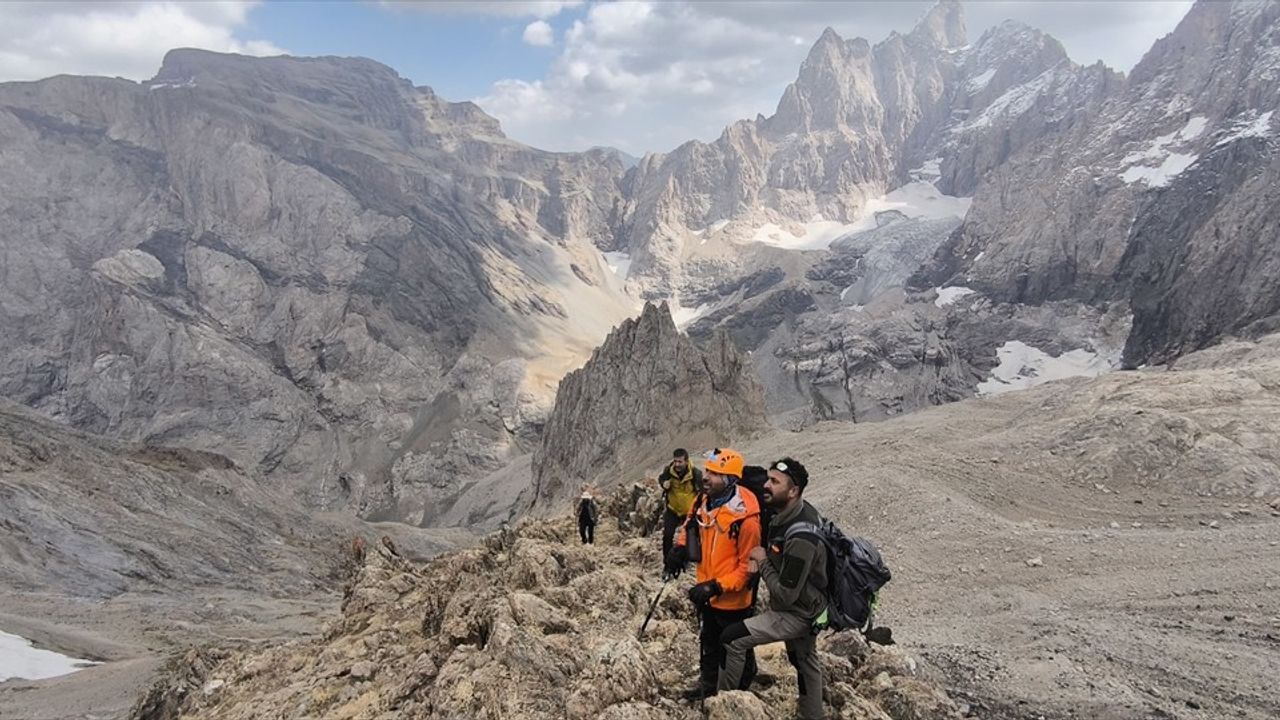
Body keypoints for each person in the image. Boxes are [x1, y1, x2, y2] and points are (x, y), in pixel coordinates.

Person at [719, 458, 827, 720]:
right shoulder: (787, 514)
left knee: (732, 638)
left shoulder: (802, 536)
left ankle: (723, 706)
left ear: (794, 491)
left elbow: (785, 593)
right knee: (803, 661)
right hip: (806, 604)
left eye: (774, 482)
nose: (766, 485)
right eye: (767, 479)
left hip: (798, 612)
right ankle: (813, 715)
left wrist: (763, 561)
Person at [664, 447, 760, 701]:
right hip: (706, 591)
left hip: (732, 600)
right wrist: (680, 548)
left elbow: (747, 568)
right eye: (707, 470)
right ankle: (708, 687)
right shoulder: (702, 502)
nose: (706, 477)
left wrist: (715, 587)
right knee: (708, 642)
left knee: (734, 646)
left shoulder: (747, 520)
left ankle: (739, 692)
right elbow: (690, 526)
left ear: (730, 480)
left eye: (715, 473)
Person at [656, 448, 702, 561]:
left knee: (690, 537)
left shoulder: (696, 474)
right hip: (673, 510)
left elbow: (702, 493)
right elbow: (661, 478)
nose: (677, 464)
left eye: (680, 462)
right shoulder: (668, 471)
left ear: (686, 461)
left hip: (689, 513)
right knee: (667, 536)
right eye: (675, 461)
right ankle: (667, 562)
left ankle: (688, 559)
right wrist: (663, 484)